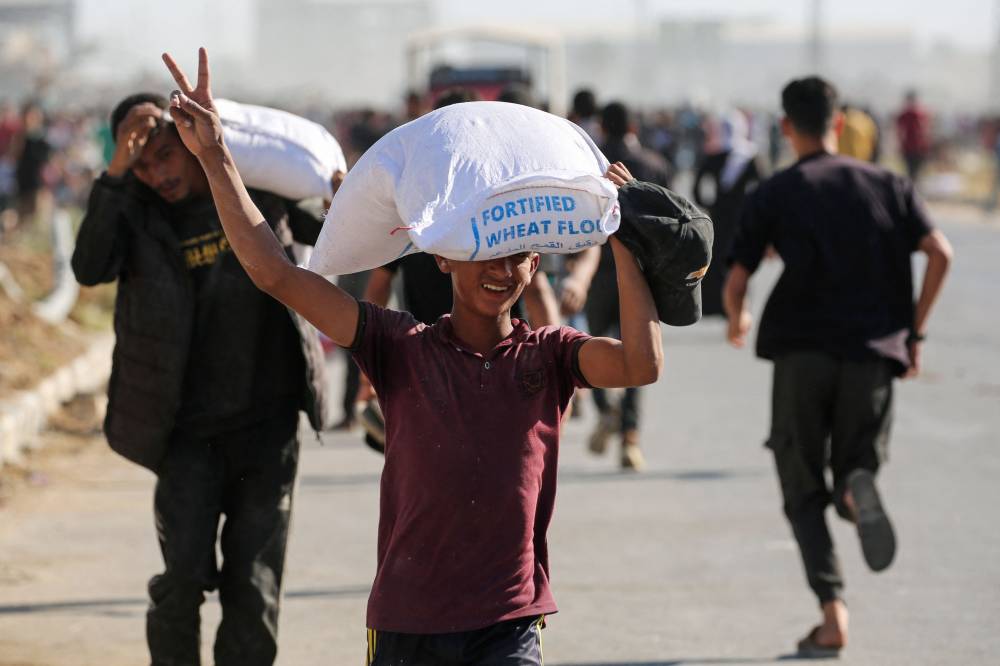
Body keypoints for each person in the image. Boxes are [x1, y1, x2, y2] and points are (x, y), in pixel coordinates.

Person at [162, 48, 663, 665]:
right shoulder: (399, 348)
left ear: (536, 264)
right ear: (443, 256)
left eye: (519, 257)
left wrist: (625, 239)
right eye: (486, 254)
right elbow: (276, 274)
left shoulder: (550, 356)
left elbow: (641, 365)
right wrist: (215, 156)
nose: (503, 271)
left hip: (509, 622)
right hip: (408, 622)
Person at [71, 90, 330, 665]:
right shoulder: (133, 214)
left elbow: (334, 232)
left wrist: (346, 195)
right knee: (182, 579)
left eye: (165, 154)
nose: (157, 172)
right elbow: (89, 266)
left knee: (254, 587)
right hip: (186, 433)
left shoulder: (251, 193)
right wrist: (115, 172)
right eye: (142, 163)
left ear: (189, 145)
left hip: (268, 426)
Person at [723, 76, 953, 658]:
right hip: (874, 353)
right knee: (857, 462)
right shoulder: (890, 183)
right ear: (840, 122)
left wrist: (737, 319)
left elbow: (737, 278)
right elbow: (940, 253)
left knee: (801, 487)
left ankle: (832, 614)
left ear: (785, 127)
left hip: (801, 353)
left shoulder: (777, 191)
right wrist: (915, 331)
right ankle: (855, 490)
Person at [578, 100, 672, 470]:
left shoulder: (591, 168)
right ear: (633, 125)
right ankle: (631, 438)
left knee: (590, 344)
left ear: (601, 126)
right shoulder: (654, 165)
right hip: (641, 276)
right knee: (638, 352)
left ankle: (605, 409)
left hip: (597, 271)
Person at [693, 110, 763, 317]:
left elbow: (698, 188)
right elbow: (763, 188)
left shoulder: (714, 156)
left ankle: (716, 304)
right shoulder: (751, 157)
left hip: (719, 217)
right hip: (742, 218)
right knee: (741, 260)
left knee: (717, 258)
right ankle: (739, 302)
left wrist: (709, 204)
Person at [895, 89, 931, 183]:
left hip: (911, 147)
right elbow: (925, 131)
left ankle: (912, 187)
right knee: (915, 171)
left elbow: (899, 132)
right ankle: (914, 188)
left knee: (912, 170)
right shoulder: (920, 113)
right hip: (916, 147)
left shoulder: (908, 114)